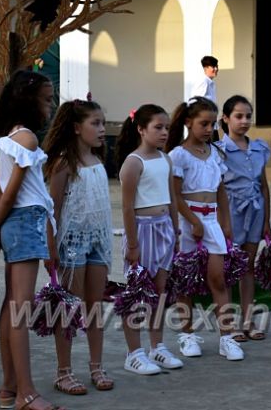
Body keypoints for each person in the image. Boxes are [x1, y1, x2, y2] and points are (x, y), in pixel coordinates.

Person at [0, 70, 65, 410]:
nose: (50, 104)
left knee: (12, 305)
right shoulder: (26, 139)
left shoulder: (12, 136)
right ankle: (26, 393)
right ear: (28, 100)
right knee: (20, 309)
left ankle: (9, 387)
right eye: (46, 98)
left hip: (19, 223)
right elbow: (8, 193)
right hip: (24, 223)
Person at [42, 97, 114, 395]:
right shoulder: (63, 163)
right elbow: (52, 210)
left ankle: (96, 366)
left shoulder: (98, 162)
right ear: (75, 127)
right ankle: (63, 372)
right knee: (69, 309)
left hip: (98, 241)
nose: (102, 129)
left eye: (102, 123)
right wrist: (50, 248)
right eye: (95, 123)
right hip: (71, 243)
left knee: (95, 306)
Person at [166, 96, 244, 361]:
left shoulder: (215, 153)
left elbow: (221, 190)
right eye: (203, 124)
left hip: (212, 223)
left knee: (218, 279)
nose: (209, 129)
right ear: (189, 122)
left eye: (212, 124)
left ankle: (227, 337)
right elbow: (175, 195)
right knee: (185, 282)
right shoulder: (178, 155)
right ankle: (186, 335)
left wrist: (226, 221)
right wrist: (193, 222)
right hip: (190, 223)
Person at [114, 104, 183, 375]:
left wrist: (175, 230)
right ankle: (134, 353)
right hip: (142, 232)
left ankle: (157, 346)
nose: (164, 132)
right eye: (158, 127)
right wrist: (133, 244)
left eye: (166, 127)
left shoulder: (165, 160)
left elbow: (171, 198)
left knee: (160, 291)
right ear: (141, 129)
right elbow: (127, 207)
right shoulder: (133, 163)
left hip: (164, 229)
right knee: (137, 294)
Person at [216, 95, 271, 342]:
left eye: (248, 116)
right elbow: (215, 188)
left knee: (248, 267)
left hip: (255, 213)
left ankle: (248, 320)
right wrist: (221, 220)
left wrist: (267, 220)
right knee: (228, 268)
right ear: (226, 118)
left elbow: (263, 186)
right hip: (230, 214)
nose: (244, 121)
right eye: (238, 116)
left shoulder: (259, 148)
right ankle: (228, 325)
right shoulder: (218, 151)